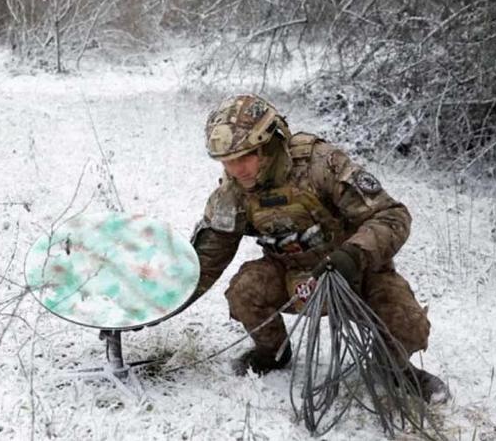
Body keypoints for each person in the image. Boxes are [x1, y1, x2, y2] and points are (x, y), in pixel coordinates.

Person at [189, 94, 449, 403]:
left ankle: (392, 368)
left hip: (355, 273)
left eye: (244, 157)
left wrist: (352, 256)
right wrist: (157, 305)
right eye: (227, 162)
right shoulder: (232, 193)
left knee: (408, 323)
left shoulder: (321, 164)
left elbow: (392, 215)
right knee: (245, 290)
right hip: (292, 278)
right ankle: (273, 354)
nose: (236, 170)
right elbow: (207, 259)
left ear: (269, 144)